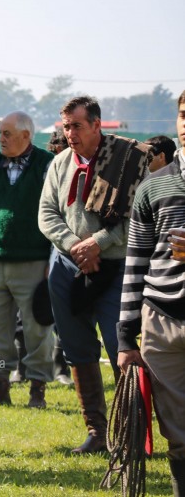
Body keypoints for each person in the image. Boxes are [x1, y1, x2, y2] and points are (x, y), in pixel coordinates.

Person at [39, 95, 151, 454]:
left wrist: (99, 243)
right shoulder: (59, 164)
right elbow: (46, 214)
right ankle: (98, 432)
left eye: (77, 126)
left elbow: (140, 215)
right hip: (68, 266)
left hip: (117, 267)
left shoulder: (131, 160)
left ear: (96, 125)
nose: (70, 133)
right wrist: (76, 246)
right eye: (66, 126)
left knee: (124, 349)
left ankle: (130, 434)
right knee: (77, 348)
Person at [117, 89, 185, 496]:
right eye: (182, 113)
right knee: (176, 426)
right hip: (160, 321)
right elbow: (135, 265)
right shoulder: (152, 187)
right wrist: (126, 336)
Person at [0, 111, 55, 409]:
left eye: (7, 134)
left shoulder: (46, 164)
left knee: (37, 329)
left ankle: (37, 389)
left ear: (26, 136)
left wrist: (52, 258)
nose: (1, 139)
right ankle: (0, 386)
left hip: (34, 262)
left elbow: (56, 210)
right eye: (0, 133)